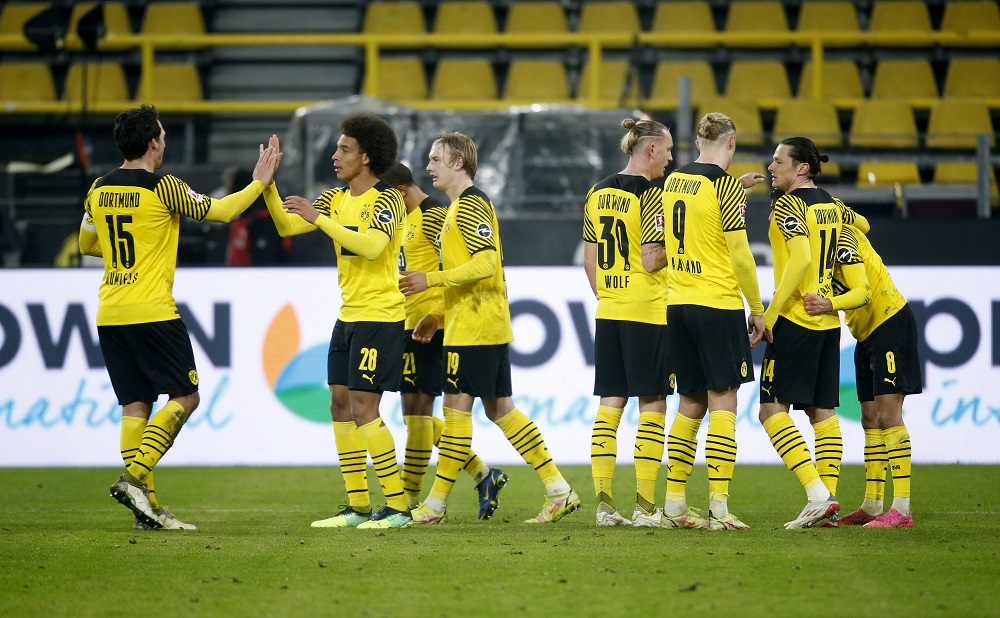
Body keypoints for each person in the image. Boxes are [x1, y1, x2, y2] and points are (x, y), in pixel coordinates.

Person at [78, 103, 280, 530]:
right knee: (186, 397)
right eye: (164, 136)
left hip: (111, 310)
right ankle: (133, 479)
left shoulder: (97, 189)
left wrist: (123, 253)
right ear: (153, 143)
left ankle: (146, 510)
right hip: (152, 310)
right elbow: (223, 212)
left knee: (135, 405)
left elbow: (86, 244)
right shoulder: (163, 187)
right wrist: (259, 182)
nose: (165, 142)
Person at [399, 131, 580, 524]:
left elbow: (485, 263)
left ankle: (434, 506)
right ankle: (558, 489)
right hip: (476, 323)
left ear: (458, 163)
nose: (428, 167)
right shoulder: (454, 210)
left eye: (435, 159)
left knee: (456, 413)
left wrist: (429, 280)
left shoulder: (470, 205)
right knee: (501, 411)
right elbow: (470, 273)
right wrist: (439, 315)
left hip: (476, 328)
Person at [262, 113, 412, 530]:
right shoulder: (335, 198)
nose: (335, 155)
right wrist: (268, 187)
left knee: (365, 407)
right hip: (348, 316)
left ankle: (398, 508)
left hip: (380, 317)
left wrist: (319, 219)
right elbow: (287, 227)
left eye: (344, 149)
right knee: (340, 405)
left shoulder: (388, 199)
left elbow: (371, 246)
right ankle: (358, 506)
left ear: (366, 156)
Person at [380, 162, 508, 519]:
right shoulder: (406, 219)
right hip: (410, 322)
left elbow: (456, 265)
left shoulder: (437, 214)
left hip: (433, 324)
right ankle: (482, 473)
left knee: (421, 414)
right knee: (414, 414)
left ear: (400, 192)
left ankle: (410, 500)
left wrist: (437, 313)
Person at [660, 112, 770, 531]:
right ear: (733, 142)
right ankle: (719, 508)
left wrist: (734, 190)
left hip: (678, 303)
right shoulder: (724, 186)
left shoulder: (674, 180)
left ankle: (673, 504)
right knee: (724, 400)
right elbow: (741, 255)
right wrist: (757, 308)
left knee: (690, 401)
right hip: (716, 303)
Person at [758, 137, 870, 529]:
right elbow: (865, 224)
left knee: (771, 410)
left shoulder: (788, 203)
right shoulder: (830, 205)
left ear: (801, 168)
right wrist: (841, 215)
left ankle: (817, 495)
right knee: (822, 411)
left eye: (778, 161)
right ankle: (827, 505)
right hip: (826, 320)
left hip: (795, 316)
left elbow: (801, 257)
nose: (772, 166)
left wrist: (770, 313)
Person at [580, 117, 673, 528]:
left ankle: (603, 505)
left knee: (610, 402)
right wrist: (692, 242)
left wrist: (609, 294)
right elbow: (653, 259)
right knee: (652, 401)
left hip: (610, 308)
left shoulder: (596, 191)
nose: (671, 159)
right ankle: (645, 508)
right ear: (650, 149)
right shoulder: (651, 194)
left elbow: (588, 258)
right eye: (668, 150)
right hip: (647, 309)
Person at [804, 224, 920, 528]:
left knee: (888, 417)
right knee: (869, 417)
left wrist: (829, 304)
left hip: (889, 321)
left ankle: (903, 510)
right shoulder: (819, 244)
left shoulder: (841, 234)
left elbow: (863, 292)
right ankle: (872, 504)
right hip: (865, 333)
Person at [225, 167, 290, 266]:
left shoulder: (267, 221)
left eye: (231, 189)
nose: (227, 195)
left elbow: (265, 262)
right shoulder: (242, 221)